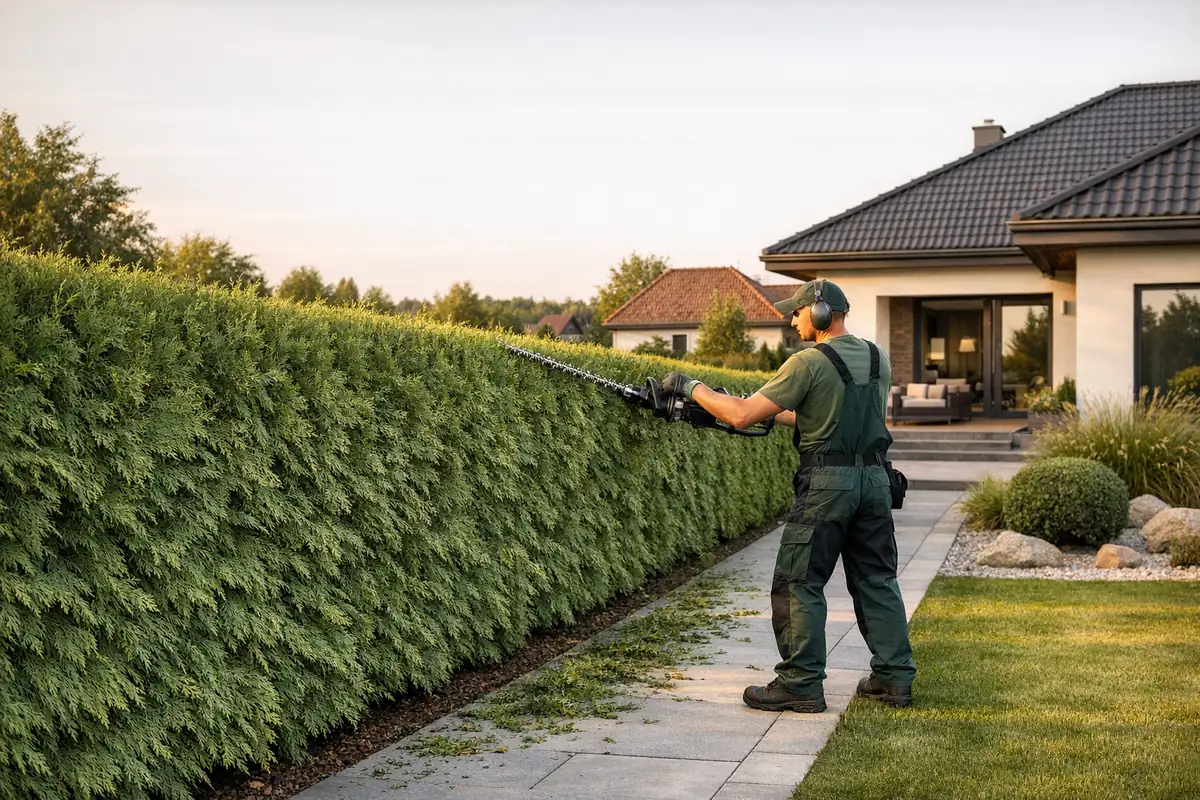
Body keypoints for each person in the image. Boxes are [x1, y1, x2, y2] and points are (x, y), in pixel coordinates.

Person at [662, 279, 915, 712]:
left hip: (827, 488)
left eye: (796, 312)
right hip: (874, 481)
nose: (791, 320)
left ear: (818, 312)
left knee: (799, 582)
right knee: (877, 580)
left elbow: (741, 417)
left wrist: (692, 389)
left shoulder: (807, 362)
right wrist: (767, 411)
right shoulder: (878, 357)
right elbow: (826, 416)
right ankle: (893, 679)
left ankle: (800, 684)